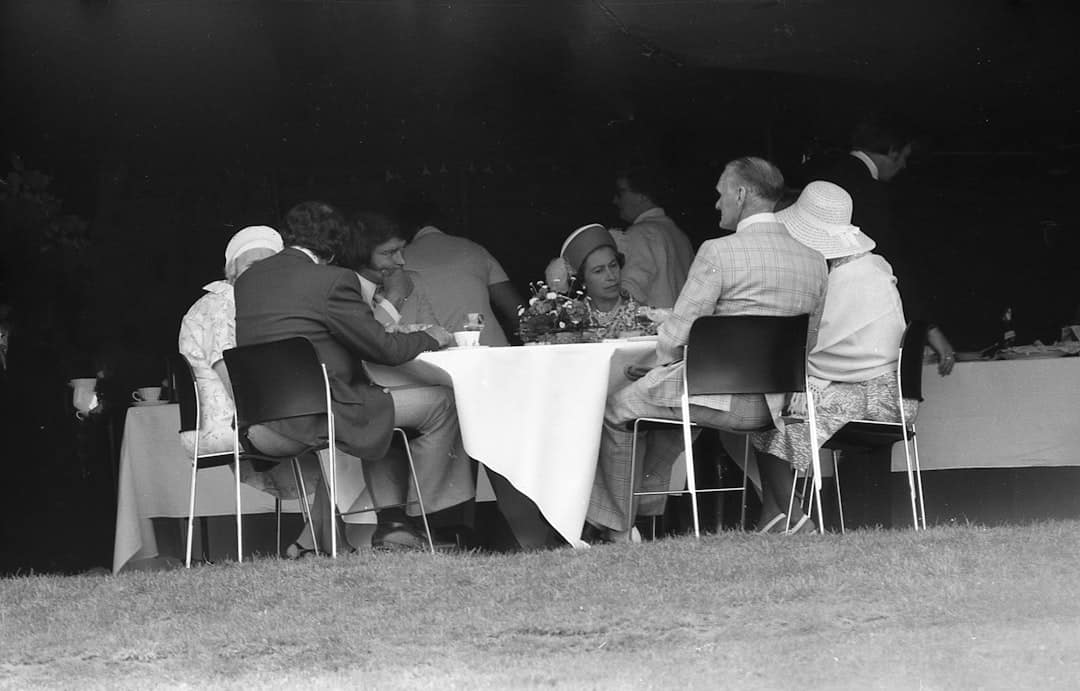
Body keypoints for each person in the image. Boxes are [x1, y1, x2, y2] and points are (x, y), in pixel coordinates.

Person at [585, 157, 829, 541]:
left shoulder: (718, 251)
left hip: (721, 399)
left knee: (618, 407)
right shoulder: (815, 261)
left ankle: (618, 527)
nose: (717, 204)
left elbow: (677, 334)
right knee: (659, 418)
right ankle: (642, 511)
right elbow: (807, 342)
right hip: (777, 405)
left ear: (741, 194)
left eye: (720, 194)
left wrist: (656, 367)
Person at [233, 201, 474, 551]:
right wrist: (430, 337)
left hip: (263, 423)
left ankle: (393, 526)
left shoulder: (250, 278)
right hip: (318, 416)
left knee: (380, 407)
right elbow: (383, 349)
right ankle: (427, 519)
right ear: (334, 247)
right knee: (444, 403)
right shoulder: (332, 280)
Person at [746, 181, 923, 533]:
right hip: (887, 393)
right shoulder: (874, 266)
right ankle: (776, 517)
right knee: (777, 408)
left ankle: (793, 521)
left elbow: (816, 352)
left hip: (878, 399)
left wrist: (799, 379)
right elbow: (834, 351)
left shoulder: (846, 280)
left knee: (773, 417)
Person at [177, 225, 323, 557]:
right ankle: (317, 540)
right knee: (337, 424)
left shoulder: (252, 301)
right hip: (236, 418)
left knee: (333, 422)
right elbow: (229, 368)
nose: (258, 273)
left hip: (244, 414)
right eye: (249, 266)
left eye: (267, 265)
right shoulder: (224, 302)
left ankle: (316, 540)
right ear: (232, 273)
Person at [803, 118, 956, 374]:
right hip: (854, 313)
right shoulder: (870, 192)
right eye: (903, 157)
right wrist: (928, 326)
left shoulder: (819, 173)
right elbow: (893, 261)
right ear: (893, 152)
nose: (903, 166)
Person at [399, 200, 522, 345]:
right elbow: (516, 311)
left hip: (437, 356)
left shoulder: (399, 259)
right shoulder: (474, 250)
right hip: (490, 349)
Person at [605, 166, 695, 309]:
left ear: (643, 195)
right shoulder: (679, 235)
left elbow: (629, 292)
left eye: (621, 192)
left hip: (652, 329)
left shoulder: (640, 233)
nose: (615, 200)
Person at [549, 223, 657, 338]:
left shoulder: (644, 316)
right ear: (582, 279)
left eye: (613, 265)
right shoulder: (570, 319)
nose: (611, 276)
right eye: (599, 271)